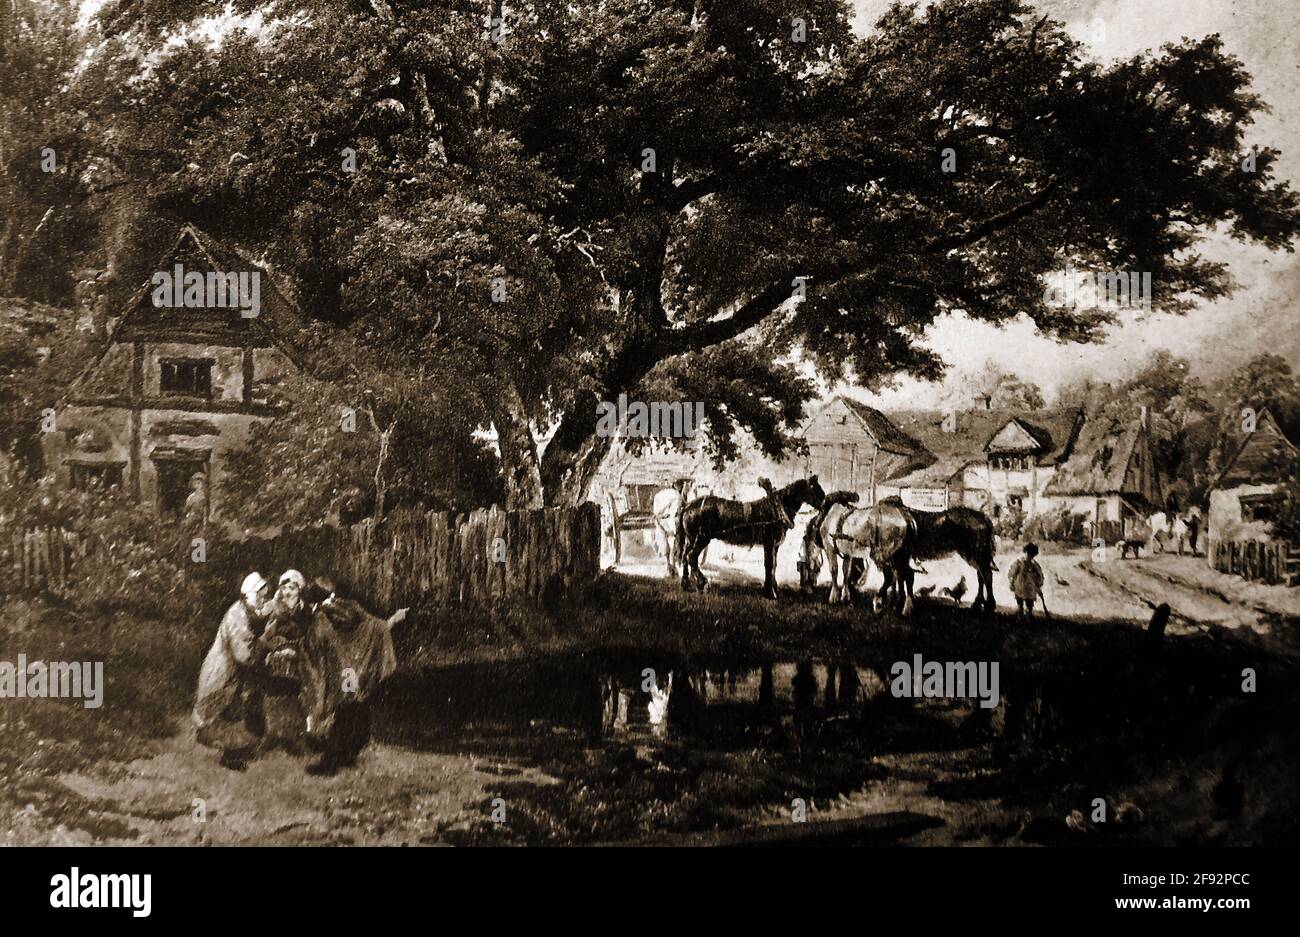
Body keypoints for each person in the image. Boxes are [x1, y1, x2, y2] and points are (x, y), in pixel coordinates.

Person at [298, 577, 407, 775]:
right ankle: (348, 754)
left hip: (335, 677)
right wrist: (394, 619)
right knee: (354, 711)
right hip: (355, 673)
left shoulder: (319, 622)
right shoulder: (351, 608)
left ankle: (329, 764)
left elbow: (314, 653)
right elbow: (376, 627)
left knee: (336, 717)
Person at [193, 572, 271, 769]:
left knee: (239, 708)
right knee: (227, 714)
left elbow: (261, 613)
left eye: (265, 595)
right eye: (259, 595)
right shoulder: (237, 617)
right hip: (222, 673)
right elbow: (245, 656)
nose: (263, 599)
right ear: (248, 595)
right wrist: (266, 640)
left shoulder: (246, 609)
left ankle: (240, 750)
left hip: (232, 673)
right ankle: (231, 757)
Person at [255, 569, 315, 748]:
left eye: (292, 588)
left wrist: (296, 650)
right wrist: (277, 650)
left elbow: (311, 638)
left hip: (300, 658)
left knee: (300, 691)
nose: (287, 592)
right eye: (284, 588)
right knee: (274, 690)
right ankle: (274, 733)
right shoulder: (274, 610)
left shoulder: (306, 612)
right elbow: (265, 637)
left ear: (299, 590)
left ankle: (296, 736)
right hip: (276, 659)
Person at [1009, 543, 1045, 621]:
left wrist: (1038, 584)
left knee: (1029, 602)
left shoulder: (1034, 565)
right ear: (1025, 552)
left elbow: (1040, 575)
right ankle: (1020, 616)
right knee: (1020, 601)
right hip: (1020, 585)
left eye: (1032, 555)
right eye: (1028, 553)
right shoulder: (1019, 562)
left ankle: (1029, 616)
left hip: (1030, 586)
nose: (1029, 556)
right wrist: (1011, 582)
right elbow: (1012, 573)